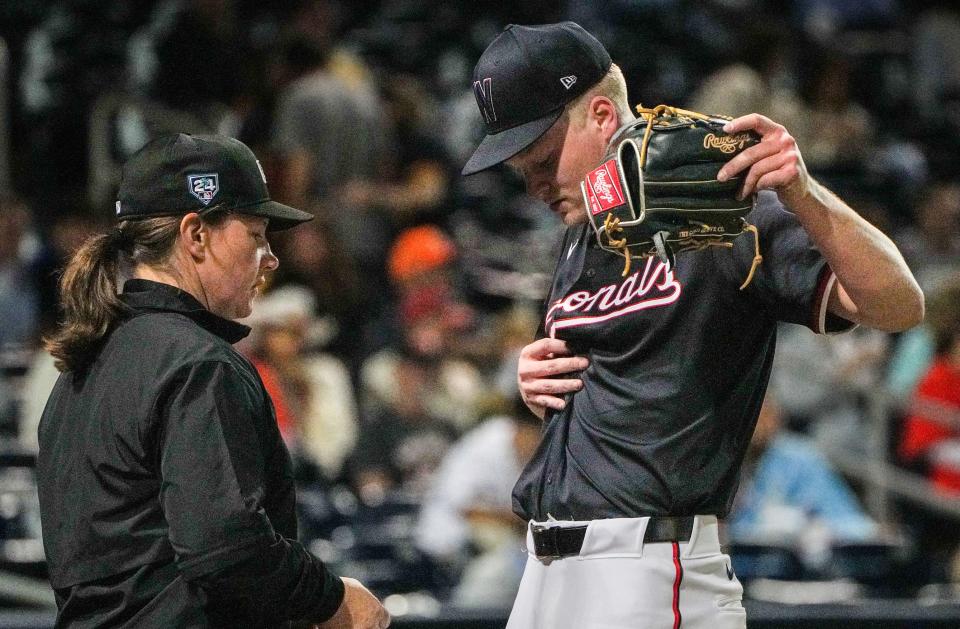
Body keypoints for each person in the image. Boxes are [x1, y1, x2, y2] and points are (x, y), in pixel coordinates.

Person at [461, 22, 924, 629]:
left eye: (543, 159)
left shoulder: (727, 206)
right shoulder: (581, 231)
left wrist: (804, 194)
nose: (534, 183)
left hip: (647, 567)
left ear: (602, 115)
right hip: (548, 569)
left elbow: (899, 305)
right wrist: (542, 381)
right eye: (520, 168)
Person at [36, 133, 390, 629]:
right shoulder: (198, 362)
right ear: (196, 235)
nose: (271, 257)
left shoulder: (83, 365)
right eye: (257, 234)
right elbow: (225, 545)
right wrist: (330, 598)